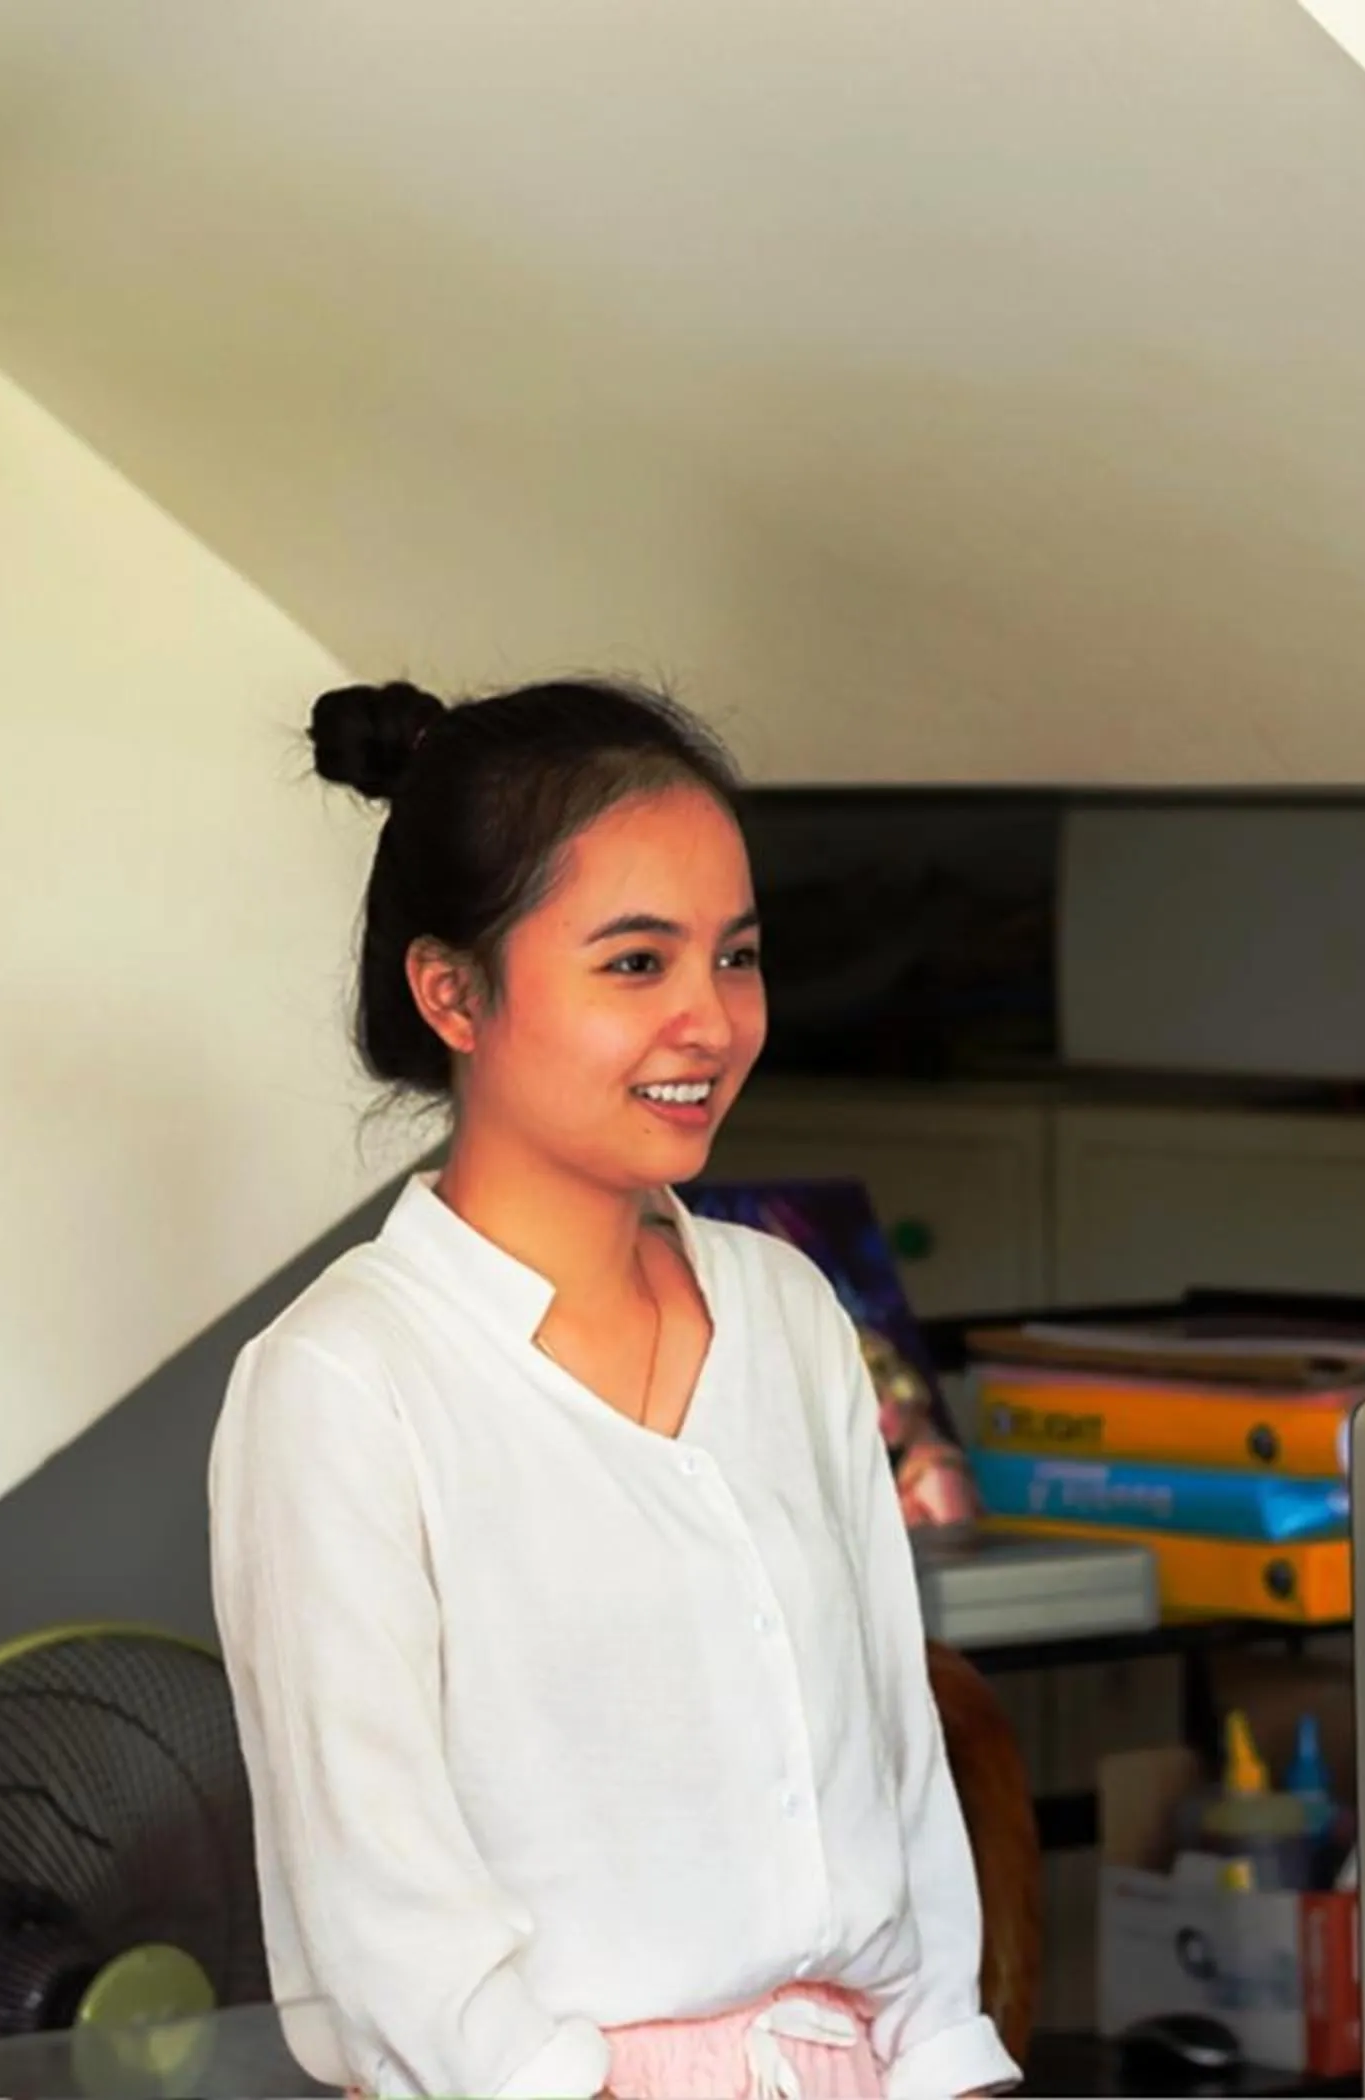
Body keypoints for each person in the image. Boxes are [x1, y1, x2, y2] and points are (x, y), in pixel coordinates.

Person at [209, 678, 1018, 2100]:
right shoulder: (343, 1385)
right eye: (637, 965)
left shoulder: (786, 1313)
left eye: (739, 957)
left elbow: (899, 1760)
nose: (709, 1022)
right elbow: (380, 1889)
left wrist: (955, 2062)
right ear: (453, 991)